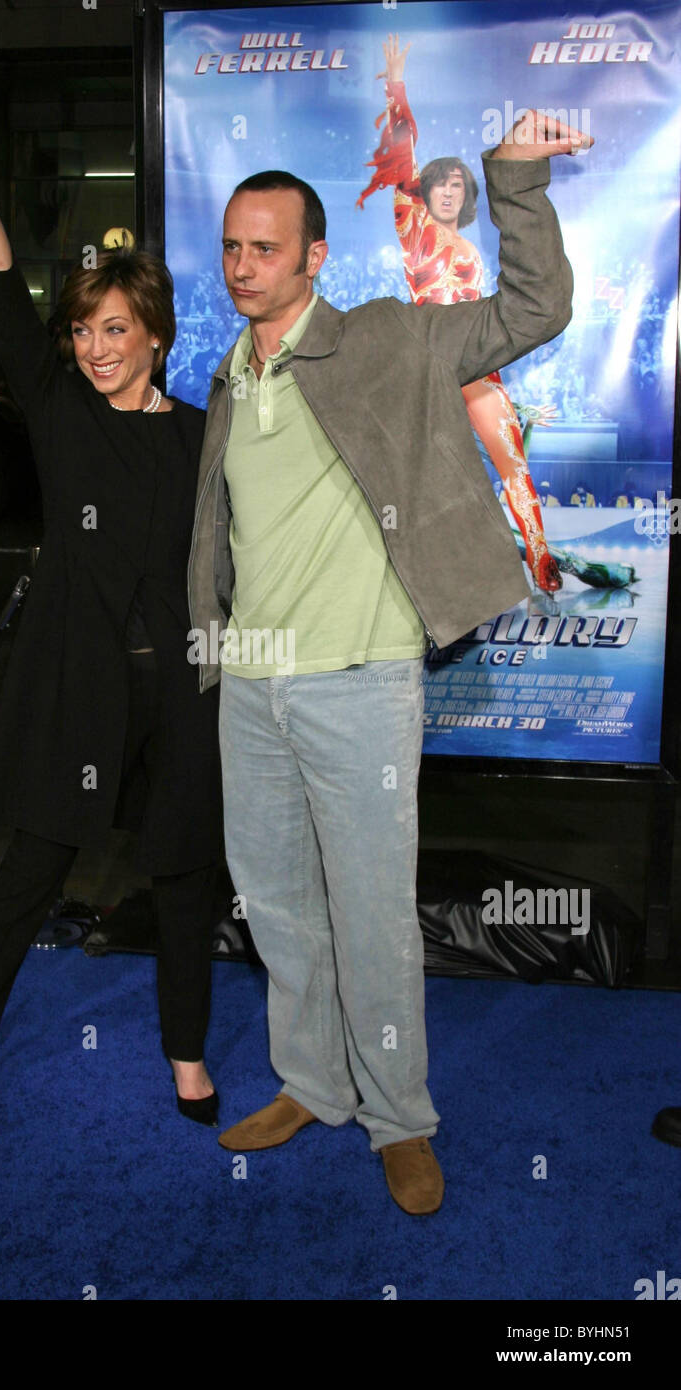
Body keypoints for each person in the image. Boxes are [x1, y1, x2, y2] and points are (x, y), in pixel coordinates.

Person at [187, 107, 590, 1213]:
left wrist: (515, 179)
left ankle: (398, 1116)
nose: (243, 267)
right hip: (255, 686)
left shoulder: (387, 339)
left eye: (265, 248)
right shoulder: (228, 376)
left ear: (316, 256)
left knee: (371, 914)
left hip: (361, 682)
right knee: (276, 906)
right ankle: (313, 1083)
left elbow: (533, 308)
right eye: (231, 246)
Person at [0, 64, 223, 1128]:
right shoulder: (58, 411)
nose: (93, 349)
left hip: (179, 690)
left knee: (181, 872)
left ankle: (186, 1057)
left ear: (156, 336)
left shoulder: (197, 436)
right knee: (35, 867)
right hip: (76, 683)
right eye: (84, 330)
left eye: (114, 330)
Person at [358, 35, 562, 595]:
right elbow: (400, 150)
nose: (449, 189)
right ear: (425, 189)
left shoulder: (471, 248)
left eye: (459, 183)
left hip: (477, 368)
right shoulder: (413, 226)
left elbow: (504, 322)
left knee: (513, 464)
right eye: (440, 181)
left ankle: (541, 560)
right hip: (425, 362)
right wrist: (396, 88)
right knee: (409, 482)